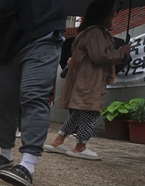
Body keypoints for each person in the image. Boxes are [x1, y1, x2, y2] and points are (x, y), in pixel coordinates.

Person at [0, 0, 66, 186]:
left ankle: (27, 165)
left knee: (33, 97)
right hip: (9, 48)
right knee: (5, 103)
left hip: (40, 34)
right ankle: (6, 154)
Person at [44, 0, 131, 160]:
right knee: (91, 112)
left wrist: (121, 54)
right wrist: (120, 52)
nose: (113, 14)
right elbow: (100, 56)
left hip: (84, 78)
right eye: (111, 11)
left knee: (78, 113)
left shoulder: (87, 32)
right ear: (103, 13)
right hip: (90, 80)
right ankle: (80, 146)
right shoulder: (97, 33)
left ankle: (58, 141)